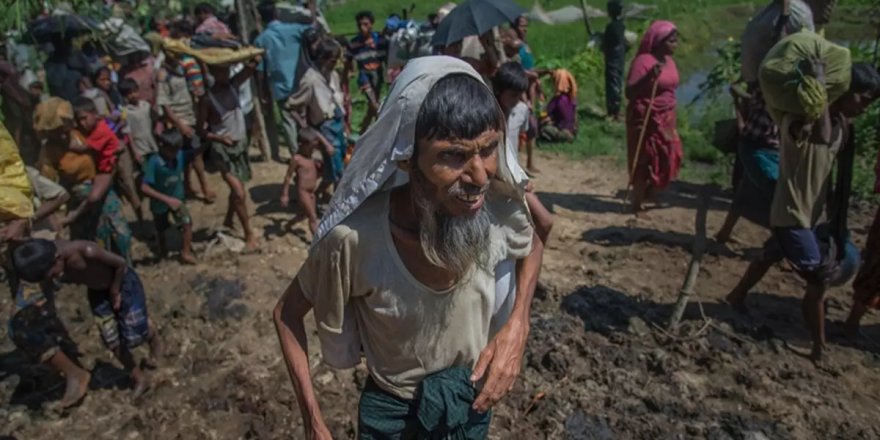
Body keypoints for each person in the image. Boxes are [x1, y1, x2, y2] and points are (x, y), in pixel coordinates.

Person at [273, 56, 543, 438]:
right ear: (405, 160)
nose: (480, 176)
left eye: (488, 150)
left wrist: (518, 323)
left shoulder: (495, 212)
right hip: (393, 417)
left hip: (469, 405)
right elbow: (286, 314)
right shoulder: (353, 241)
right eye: (453, 155)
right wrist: (313, 421)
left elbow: (532, 244)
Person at [725, 62, 880, 362]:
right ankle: (818, 348)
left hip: (811, 214)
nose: (866, 107)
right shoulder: (801, 122)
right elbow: (819, 135)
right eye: (863, 98)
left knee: (772, 252)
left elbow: (830, 165)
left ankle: (737, 295)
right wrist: (821, 84)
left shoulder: (842, 126)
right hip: (790, 212)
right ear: (842, 91)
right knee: (819, 279)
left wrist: (834, 205)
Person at [2, 124, 90, 410]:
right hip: (16, 262)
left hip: (36, 255)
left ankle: (75, 373)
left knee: (22, 327)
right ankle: (65, 359)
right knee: (42, 315)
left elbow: (59, 196)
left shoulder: (20, 174)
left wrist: (25, 220)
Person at [715, 0, 817, 243]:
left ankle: (724, 233)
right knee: (780, 198)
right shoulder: (778, 79)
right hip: (763, 147)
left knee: (745, 191)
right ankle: (780, 242)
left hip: (761, 143)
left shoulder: (769, 78)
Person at [11, 239, 162, 399]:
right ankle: (139, 377)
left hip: (123, 285)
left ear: (57, 258)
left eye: (53, 274)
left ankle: (152, 336)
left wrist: (115, 290)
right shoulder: (50, 259)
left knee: (134, 335)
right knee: (111, 339)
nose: (55, 277)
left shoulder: (87, 251)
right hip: (97, 293)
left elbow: (121, 264)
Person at [35, 98, 132, 264]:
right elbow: (50, 188)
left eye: (65, 127)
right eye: (57, 130)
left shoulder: (80, 133)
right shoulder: (49, 153)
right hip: (81, 198)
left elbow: (109, 145)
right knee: (97, 239)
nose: (63, 133)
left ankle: (126, 270)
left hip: (103, 186)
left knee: (121, 233)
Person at [197, 60, 260, 252]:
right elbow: (200, 130)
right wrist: (219, 137)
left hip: (239, 146)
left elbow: (250, 68)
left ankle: (229, 219)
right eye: (221, 71)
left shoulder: (233, 85)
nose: (225, 75)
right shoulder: (207, 99)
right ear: (213, 73)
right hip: (222, 149)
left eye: (226, 71)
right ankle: (249, 234)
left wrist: (251, 57)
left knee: (239, 187)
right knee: (240, 193)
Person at [625, 20, 682, 217]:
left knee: (669, 155)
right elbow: (629, 91)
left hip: (666, 117)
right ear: (659, 41)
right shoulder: (643, 62)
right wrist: (648, 77)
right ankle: (637, 201)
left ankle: (652, 190)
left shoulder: (670, 61)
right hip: (645, 116)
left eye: (676, 41)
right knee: (644, 158)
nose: (675, 44)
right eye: (671, 41)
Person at [493, 62, 555, 245]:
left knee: (545, 222)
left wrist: (520, 174)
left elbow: (515, 147)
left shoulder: (521, 110)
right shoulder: (485, 113)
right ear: (499, 91)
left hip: (514, 179)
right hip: (493, 181)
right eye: (513, 95)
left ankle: (525, 269)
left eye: (521, 94)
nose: (518, 99)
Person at [284, 39, 346, 201]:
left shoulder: (332, 75)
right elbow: (290, 106)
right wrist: (307, 128)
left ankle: (321, 195)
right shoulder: (310, 80)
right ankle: (336, 204)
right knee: (336, 170)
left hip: (338, 123)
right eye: (333, 61)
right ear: (322, 59)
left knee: (341, 167)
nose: (335, 64)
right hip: (326, 129)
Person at [254, 0, 313, 162]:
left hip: (280, 87)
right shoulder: (293, 29)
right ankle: (310, 149)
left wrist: (262, 91)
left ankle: (296, 155)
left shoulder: (261, 39)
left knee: (288, 122)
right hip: (301, 83)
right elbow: (312, 29)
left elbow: (260, 71)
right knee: (304, 117)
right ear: (276, 14)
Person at [157, 44, 215, 202]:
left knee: (196, 154)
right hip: (178, 121)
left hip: (191, 118)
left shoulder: (184, 68)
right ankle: (187, 187)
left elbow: (197, 89)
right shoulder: (163, 74)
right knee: (183, 157)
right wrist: (179, 124)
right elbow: (165, 105)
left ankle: (203, 187)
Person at [70, 97, 143, 222]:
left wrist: (67, 144)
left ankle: (142, 221)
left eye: (84, 118)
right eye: (79, 120)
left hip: (117, 160)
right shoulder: (95, 125)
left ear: (94, 114)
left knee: (129, 189)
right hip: (105, 165)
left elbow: (84, 148)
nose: (82, 123)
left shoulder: (100, 130)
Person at [141, 129, 196, 264]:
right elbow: (144, 187)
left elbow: (196, 151)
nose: (174, 154)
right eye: (172, 151)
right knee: (161, 228)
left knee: (187, 223)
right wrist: (166, 199)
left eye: (177, 151)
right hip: (160, 202)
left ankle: (186, 252)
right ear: (162, 147)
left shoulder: (180, 156)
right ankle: (162, 251)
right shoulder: (154, 162)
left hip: (177, 199)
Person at [344, 10, 388, 134]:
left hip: (378, 76)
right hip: (365, 77)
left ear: (371, 24)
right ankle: (383, 131)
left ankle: (361, 132)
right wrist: (344, 80)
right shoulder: (354, 43)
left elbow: (386, 60)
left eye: (365, 24)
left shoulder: (380, 41)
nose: (362, 28)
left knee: (371, 107)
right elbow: (347, 63)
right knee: (375, 104)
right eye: (360, 25)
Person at [280, 129, 320, 236]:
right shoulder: (297, 159)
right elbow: (288, 177)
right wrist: (285, 194)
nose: (313, 150)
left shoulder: (311, 158)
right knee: (313, 217)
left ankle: (288, 225)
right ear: (302, 145)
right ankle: (318, 243)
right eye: (311, 147)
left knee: (303, 215)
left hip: (312, 192)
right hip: (303, 192)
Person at [119, 78, 159, 166]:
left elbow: (154, 120)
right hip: (140, 148)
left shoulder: (145, 105)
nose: (133, 95)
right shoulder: (125, 112)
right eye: (129, 93)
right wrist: (135, 152)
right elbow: (128, 132)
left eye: (134, 91)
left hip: (152, 143)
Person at [602, 0, 627, 121]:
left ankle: (613, 112)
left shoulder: (611, 27)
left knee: (612, 84)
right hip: (619, 58)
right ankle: (615, 110)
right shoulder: (621, 25)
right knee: (617, 82)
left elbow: (608, 43)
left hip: (612, 59)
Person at [540, 69, 578, 143]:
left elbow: (545, 116)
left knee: (543, 128)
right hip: (572, 131)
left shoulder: (557, 100)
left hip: (563, 132)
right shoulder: (572, 98)